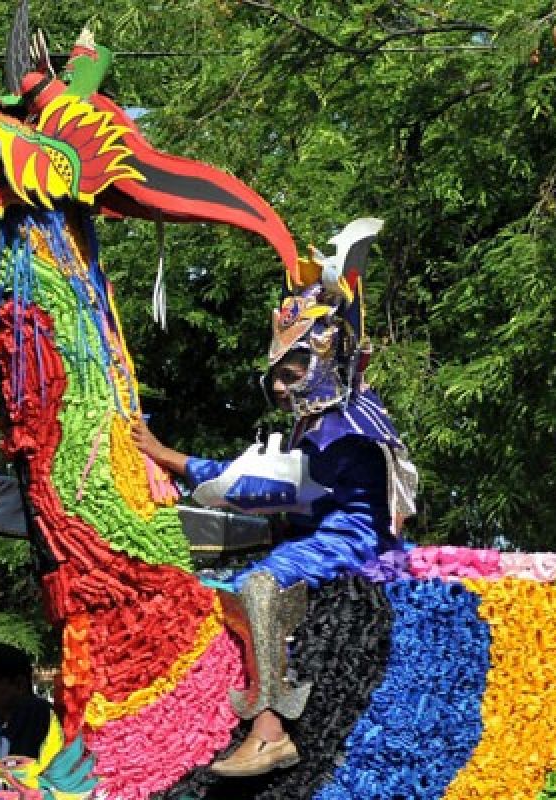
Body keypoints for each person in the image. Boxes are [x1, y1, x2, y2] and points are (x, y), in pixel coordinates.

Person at [133, 218, 418, 778]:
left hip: (351, 544)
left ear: (327, 360)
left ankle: (269, 732)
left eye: (292, 372)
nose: (282, 388)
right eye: (278, 377)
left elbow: (271, 487)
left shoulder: (347, 423)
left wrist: (174, 459)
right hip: (318, 538)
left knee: (260, 586)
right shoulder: (317, 423)